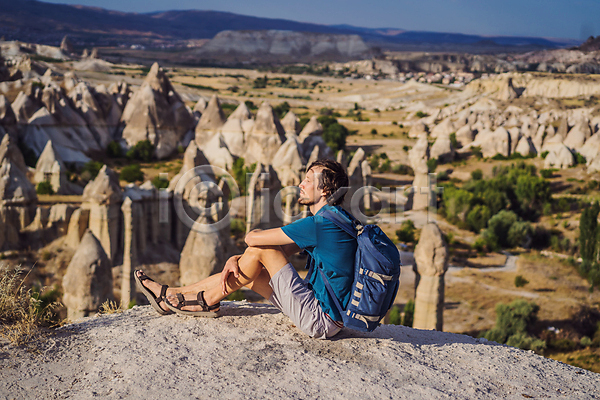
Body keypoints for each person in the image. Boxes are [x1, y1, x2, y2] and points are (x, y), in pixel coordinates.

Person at [135, 159, 357, 339]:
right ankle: (173, 294)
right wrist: (238, 258)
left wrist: (250, 243)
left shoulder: (320, 224)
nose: (301, 183)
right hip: (321, 312)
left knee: (262, 250)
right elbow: (281, 250)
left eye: (308, 180)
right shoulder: (337, 219)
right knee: (247, 273)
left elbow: (254, 239)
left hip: (320, 319)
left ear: (325, 190)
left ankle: (206, 302)